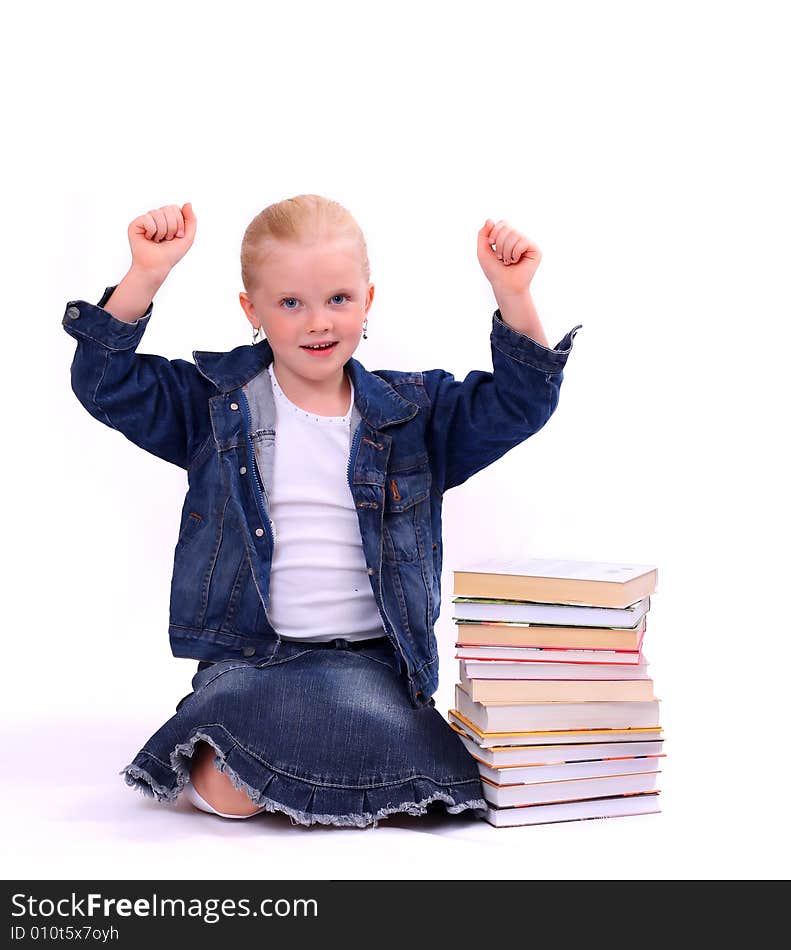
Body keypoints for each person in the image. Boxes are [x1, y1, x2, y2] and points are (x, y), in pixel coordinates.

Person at [61, 195, 582, 828]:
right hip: (252, 660)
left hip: (364, 663)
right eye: (290, 303)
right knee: (234, 774)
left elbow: (520, 404)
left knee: (367, 717)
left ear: (368, 300)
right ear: (252, 311)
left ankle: (307, 764)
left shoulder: (415, 413)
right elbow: (104, 382)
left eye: (338, 299)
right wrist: (146, 274)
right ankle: (256, 764)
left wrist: (513, 293)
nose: (318, 322)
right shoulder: (215, 404)